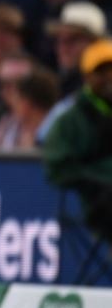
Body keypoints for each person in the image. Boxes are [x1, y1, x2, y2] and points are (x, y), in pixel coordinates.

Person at [43, 39, 112, 245]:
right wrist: (98, 181)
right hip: (97, 204)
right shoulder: (71, 119)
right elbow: (57, 168)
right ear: (86, 77)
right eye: (102, 72)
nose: (109, 78)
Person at [0, 66, 59, 150]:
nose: (13, 104)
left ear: (26, 103)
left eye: (16, 99)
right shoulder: (9, 126)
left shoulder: (55, 133)